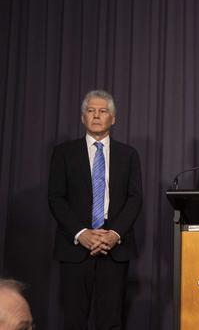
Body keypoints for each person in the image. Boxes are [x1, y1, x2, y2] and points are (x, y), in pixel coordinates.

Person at [48, 90, 142, 329]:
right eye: (91, 111)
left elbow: (135, 199)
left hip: (114, 247)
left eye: (103, 111)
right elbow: (56, 198)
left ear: (113, 118)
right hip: (76, 246)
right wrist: (82, 233)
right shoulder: (63, 153)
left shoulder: (128, 154)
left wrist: (114, 234)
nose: (96, 116)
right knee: (73, 320)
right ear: (82, 118)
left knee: (111, 321)